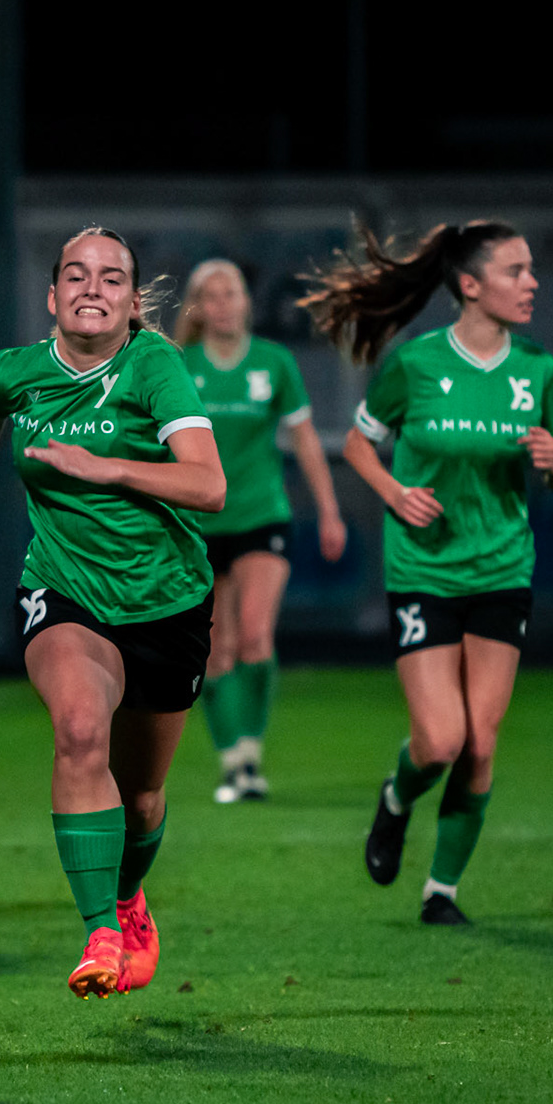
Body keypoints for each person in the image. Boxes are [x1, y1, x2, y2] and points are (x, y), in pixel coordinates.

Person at [0, 227, 224, 998]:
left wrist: (109, 469)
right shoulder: (18, 371)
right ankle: (100, 933)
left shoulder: (154, 365)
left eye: (111, 277)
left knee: (143, 798)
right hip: (64, 590)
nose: (92, 287)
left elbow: (208, 486)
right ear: (53, 295)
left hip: (167, 600)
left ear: (131, 303)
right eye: (76, 274)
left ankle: (128, 899)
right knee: (79, 729)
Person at [302, 220, 553, 926]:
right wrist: (395, 494)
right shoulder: (416, 364)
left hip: (502, 569)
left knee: (480, 744)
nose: (532, 283)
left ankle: (441, 892)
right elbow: (357, 444)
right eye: (516, 270)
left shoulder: (538, 368)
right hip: (423, 570)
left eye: (531, 269)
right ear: (470, 284)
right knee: (441, 741)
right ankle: (396, 798)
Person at [175, 260, 347, 802]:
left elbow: (305, 439)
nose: (224, 304)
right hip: (199, 523)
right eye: (212, 295)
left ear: (247, 302)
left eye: (232, 293)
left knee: (254, 636)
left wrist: (329, 510)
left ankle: (250, 755)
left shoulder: (275, 363)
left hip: (261, 515)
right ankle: (231, 763)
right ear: (199, 307)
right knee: (214, 650)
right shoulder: (179, 365)